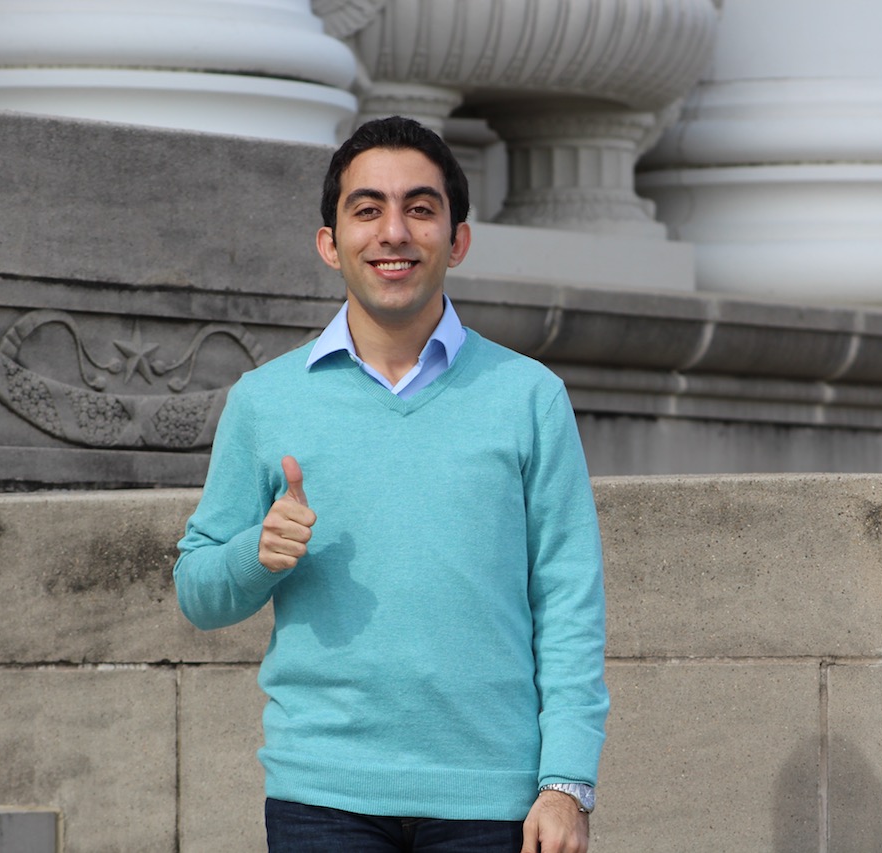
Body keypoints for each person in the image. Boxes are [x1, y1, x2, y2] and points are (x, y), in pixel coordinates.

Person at [174, 116, 609, 853]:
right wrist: (258, 550)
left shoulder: (528, 396)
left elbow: (569, 600)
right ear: (330, 242)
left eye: (420, 207)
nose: (393, 232)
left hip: (491, 798)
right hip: (322, 796)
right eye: (367, 208)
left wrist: (566, 781)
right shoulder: (264, 399)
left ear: (458, 238)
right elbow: (196, 589)